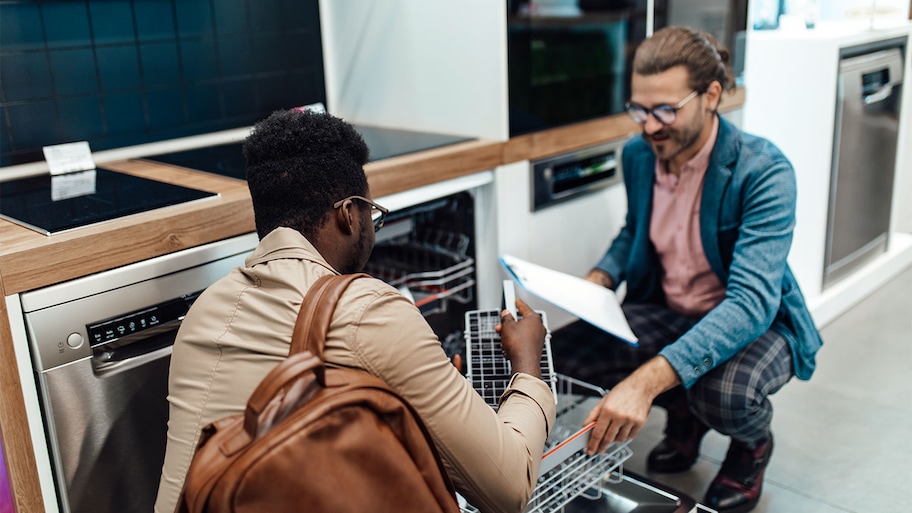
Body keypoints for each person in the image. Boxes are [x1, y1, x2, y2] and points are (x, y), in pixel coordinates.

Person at [154, 109, 556, 513]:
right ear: (348, 213)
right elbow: (510, 488)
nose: (371, 225)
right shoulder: (369, 311)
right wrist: (527, 363)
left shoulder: (203, 311)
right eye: (371, 213)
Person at [549, 26, 823, 513]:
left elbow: (751, 303)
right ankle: (684, 411)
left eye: (666, 110)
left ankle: (750, 446)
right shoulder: (639, 155)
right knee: (565, 355)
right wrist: (598, 280)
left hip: (754, 323)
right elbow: (635, 231)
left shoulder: (763, 171)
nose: (650, 126)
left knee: (724, 396)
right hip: (671, 306)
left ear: (712, 95)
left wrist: (646, 381)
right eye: (639, 109)